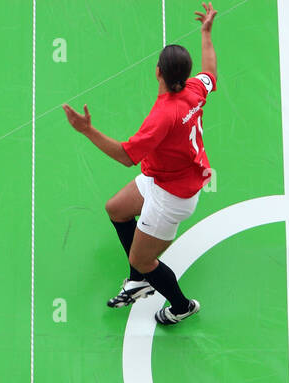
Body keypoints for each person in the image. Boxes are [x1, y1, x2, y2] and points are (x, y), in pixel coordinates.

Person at [62, 3, 218, 325]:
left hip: (171, 197)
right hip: (163, 177)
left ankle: (180, 305)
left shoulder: (162, 117)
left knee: (143, 259)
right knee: (116, 209)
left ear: (158, 72)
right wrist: (205, 33)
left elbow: (125, 155)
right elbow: (211, 73)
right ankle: (138, 280)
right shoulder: (194, 90)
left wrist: (86, 130)